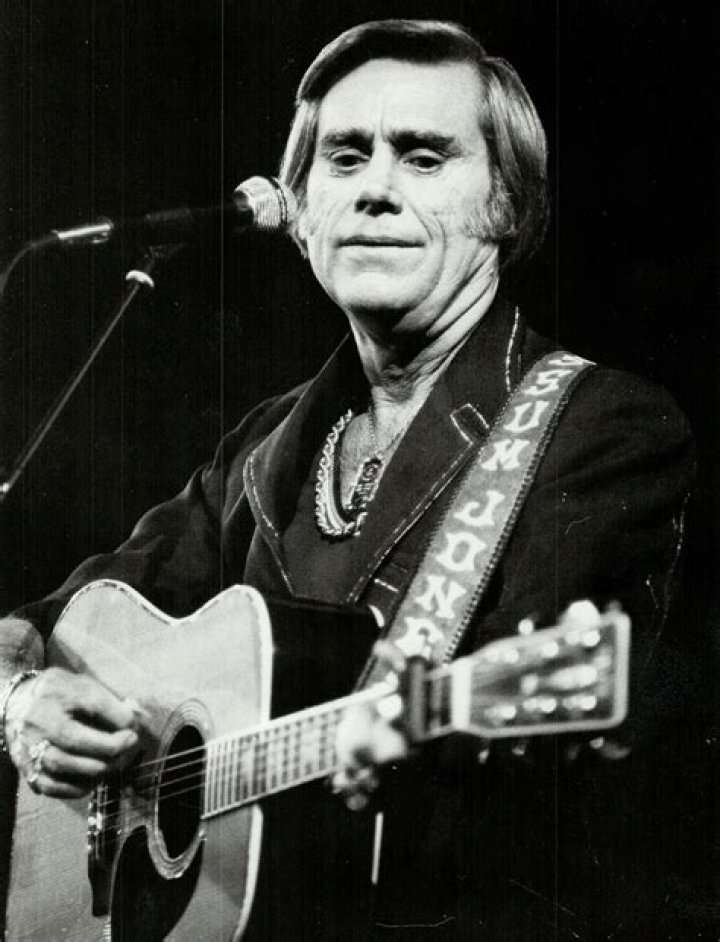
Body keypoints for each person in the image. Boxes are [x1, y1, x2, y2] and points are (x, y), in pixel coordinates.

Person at [0, 19, 696, 939]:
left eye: (424, 157)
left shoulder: (597, 426)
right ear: (299, 211)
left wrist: (409, 737)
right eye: (345, 156)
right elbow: (41, 626)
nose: (375, 188)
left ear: (507, 205)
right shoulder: (261, 450)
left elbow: (556, 778)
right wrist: (21, 702)